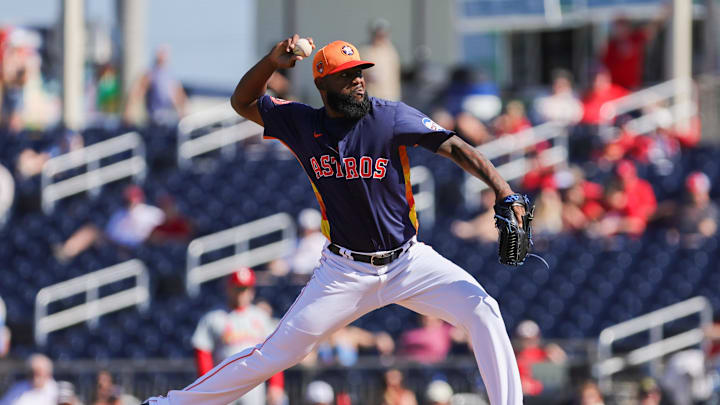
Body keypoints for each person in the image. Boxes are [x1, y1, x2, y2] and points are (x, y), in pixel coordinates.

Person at [142, 35, 527, 405]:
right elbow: (242, 101)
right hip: (344, 271)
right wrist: (270, 63)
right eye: (347, 75)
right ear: (323, 82)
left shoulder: (389, 116)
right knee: (272, 354)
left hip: (409, 262)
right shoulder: (301, 123)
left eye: (359, 72)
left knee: (483, 309)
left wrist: (503, 190)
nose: (358, 80)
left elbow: (454, 146)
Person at [191, 268, 284, 405]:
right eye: (237, 288)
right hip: (223, 384)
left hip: (254, 384)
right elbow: (202, 353)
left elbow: (273, 352)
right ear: (229, 289)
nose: (241, 293)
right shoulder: (213, 317)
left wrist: (276, 385)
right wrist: (207, 386)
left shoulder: (261, 317)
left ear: (252, 291)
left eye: (245, 289)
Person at [124, 46, 187, 126]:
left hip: (170, 119)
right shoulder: (151, 74)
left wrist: (183, 114)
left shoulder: (170, 76)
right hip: (155, 120)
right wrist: (128, 113)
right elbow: (136, 93)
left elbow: (180, 97)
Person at [513, 320, 567, 396]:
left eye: (531, 338)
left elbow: (561, 365)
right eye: (524, 339)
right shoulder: (514, 356)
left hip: (542, 395)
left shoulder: (544, 353)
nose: (528, 342)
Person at [358, 19, 401, 101]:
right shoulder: (364, 50)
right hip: (371, 97)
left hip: (390, 97)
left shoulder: (391, 51)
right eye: (378, 33)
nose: (381, 36)